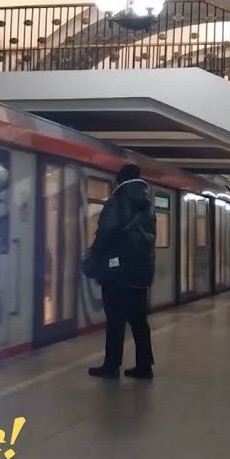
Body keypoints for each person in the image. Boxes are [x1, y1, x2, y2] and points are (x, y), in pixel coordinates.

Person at [84, 163, 156, 380]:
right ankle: (144, 366)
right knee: (139, 321)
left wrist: (93, 257)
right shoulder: (147, 206)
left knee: (115, 321)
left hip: (117, 272)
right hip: (141, 273)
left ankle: (111, 366)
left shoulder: (117, 202)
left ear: (120, 180)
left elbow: (105, 233)